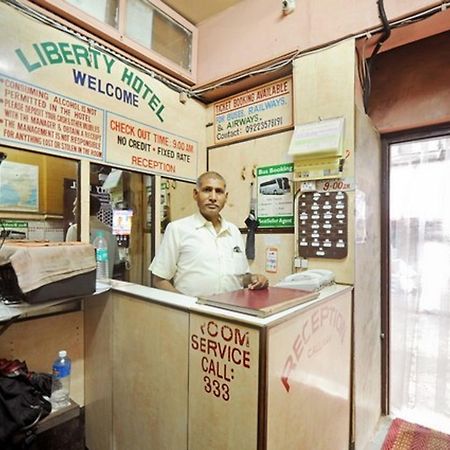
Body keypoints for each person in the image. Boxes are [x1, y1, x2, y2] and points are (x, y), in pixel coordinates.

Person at [150, 171, 268, 297]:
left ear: (225, 197)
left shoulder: (233, 231)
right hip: (194, 313)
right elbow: (159, 280)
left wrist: (254, 279)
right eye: (207, 190)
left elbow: (242, 278)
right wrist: (187, 305)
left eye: (219, 191)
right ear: (196, 194)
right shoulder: (177, 229)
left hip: (233, 311)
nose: (213, 197)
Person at [66, 194, 120, 278]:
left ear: (83, 208)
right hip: (106, 285)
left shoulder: (75, 230)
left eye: (75, 206)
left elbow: (68, 261)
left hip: (83, 286)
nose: (73, 211)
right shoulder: (110, 232)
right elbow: (116, 262)